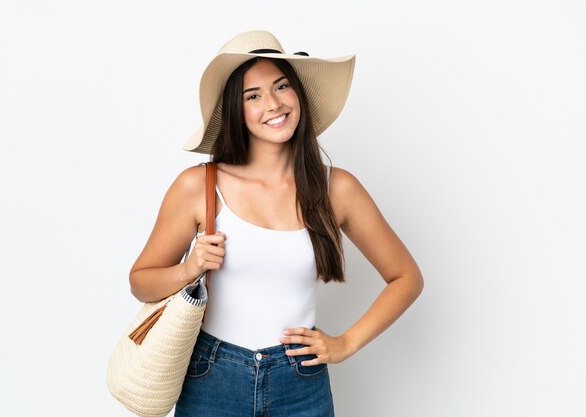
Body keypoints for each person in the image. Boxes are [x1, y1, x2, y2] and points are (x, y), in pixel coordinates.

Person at [128, 30, 424, 417]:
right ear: (237, 109)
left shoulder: (338, 189)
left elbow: (406, 277)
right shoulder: (199, 186)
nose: (273, 103)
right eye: (253, 95)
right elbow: (140, 281)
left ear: (298, 93)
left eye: (281, 86)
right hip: (212, 376)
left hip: (300, 381)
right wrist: (189, 268)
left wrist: (346, 344)